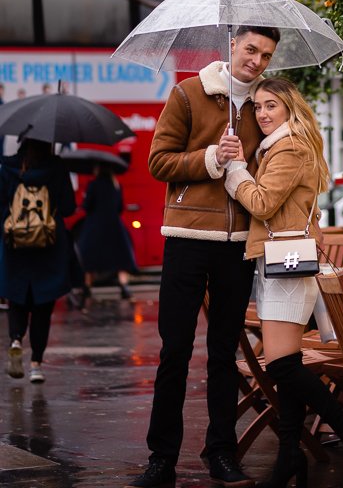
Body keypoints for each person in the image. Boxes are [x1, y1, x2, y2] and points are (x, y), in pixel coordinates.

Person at [128, 25, 280, 488]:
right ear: (233, 45)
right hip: (188, 237)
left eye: (266, 55)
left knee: (223, 355)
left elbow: (273, 164)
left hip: (238, 248)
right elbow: (159, 162)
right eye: (251, 49)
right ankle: (161, 459)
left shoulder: (263, 106)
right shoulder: (189, 94)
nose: (256, 60)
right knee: (174, 350)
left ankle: (221, 453)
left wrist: (249, 166)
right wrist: (211, 157)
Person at [224, 78, 343, 488]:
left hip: (288, 267)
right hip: (282, 263)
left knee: (280, 365)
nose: (261, 113)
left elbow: (261, 202)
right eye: (257, 106)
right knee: (288, 364)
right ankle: (290, 454)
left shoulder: (290, 147)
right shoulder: (276, 147)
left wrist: (236, 172)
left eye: (270, 105)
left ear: (290, 107)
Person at [0, 138, 76, 383]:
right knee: (43, 304)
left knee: (17, 298)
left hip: (15, 246)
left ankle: (14, 339)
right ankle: (36, 365)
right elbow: (68, 208)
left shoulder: (8, 167)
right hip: (49, 245)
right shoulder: (56, 167)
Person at [75, 163, 137, 300]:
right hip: (114, 225)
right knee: (120, 258)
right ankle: (124, 287)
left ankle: (87, 288)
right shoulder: (116, 185)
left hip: (95, 225)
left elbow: (87, 206)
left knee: (89, 258)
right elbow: (120, 208)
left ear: (99, 169)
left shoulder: (93, 184)